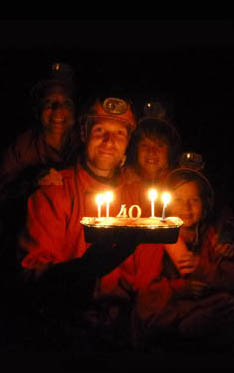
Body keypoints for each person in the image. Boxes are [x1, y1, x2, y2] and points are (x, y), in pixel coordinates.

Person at [15, 95, 145, 350]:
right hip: (63, 333)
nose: (109, 141)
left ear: (128, 143)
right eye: (100, 131)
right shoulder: (53, 192)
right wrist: (84, 271)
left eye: (119, 133)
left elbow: (144, 282)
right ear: (84, 135)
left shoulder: (137, 202)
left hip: (124, 336)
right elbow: (32, 277)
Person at [0, 62, 80, 267]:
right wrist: (32, 180)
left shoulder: (85, 144)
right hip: (26, 245)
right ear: (38, 109)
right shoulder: (23, 147)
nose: (58, 110)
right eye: (50, 103)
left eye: (66, 103)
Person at [133, 168, 234, 352]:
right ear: (167, 204)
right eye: (178, 200)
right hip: (167, 316)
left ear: (205, 203)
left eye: (194, 200)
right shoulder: (155, 238)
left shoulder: (210, 235)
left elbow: (227, 278)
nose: (186, 208)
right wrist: (181, 288)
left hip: (202, 309)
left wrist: (204, 268)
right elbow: (145, 292)